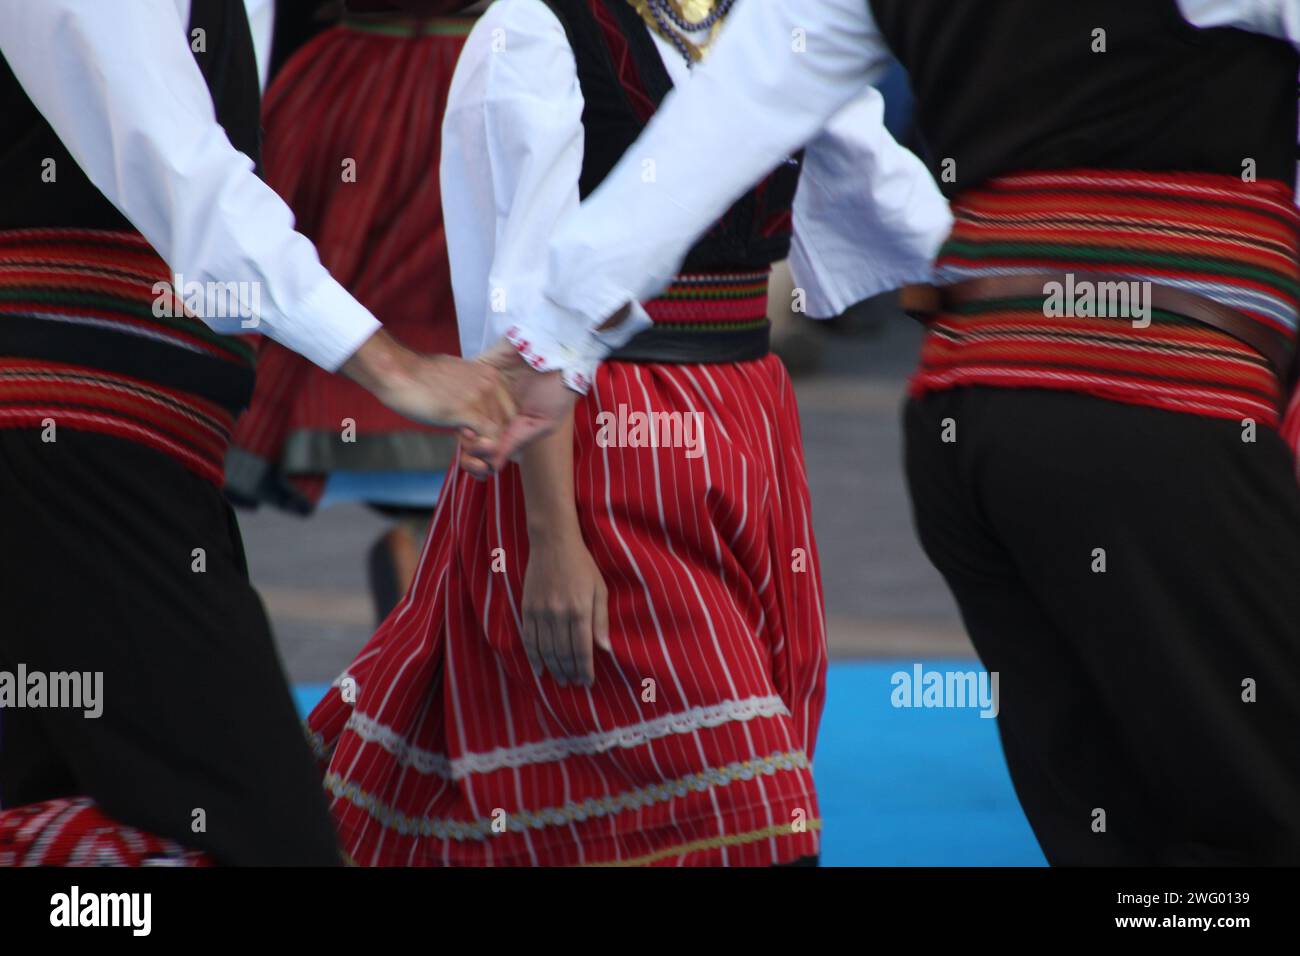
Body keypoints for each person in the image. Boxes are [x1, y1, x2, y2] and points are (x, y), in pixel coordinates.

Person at [483, 0, 1300, 865]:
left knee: (1120, 829)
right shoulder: (540, 27)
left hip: (973, 413)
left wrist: (562, 330)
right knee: (1256, 806)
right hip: (1157, 394)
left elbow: (731, 116)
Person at [305, 0, 950, 865]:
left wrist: (1033, 287)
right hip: (601, 442)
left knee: (730, 790)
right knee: (748, 815)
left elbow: (896, 203)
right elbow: (527, 315)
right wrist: (552, 541)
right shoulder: (536, 31)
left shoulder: (774, 20)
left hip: (749, 432)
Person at [0, 0, 507, 866]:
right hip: (74, 433)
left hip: (120, 439)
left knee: (62, 794)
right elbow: (179, 167)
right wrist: (387, 363)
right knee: (261, 837)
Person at [226, 0, 487, 621]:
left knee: (338, 274)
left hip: (354, 86)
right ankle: (428, 556)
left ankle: (421, 551)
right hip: (465, 78)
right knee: (463, 300)